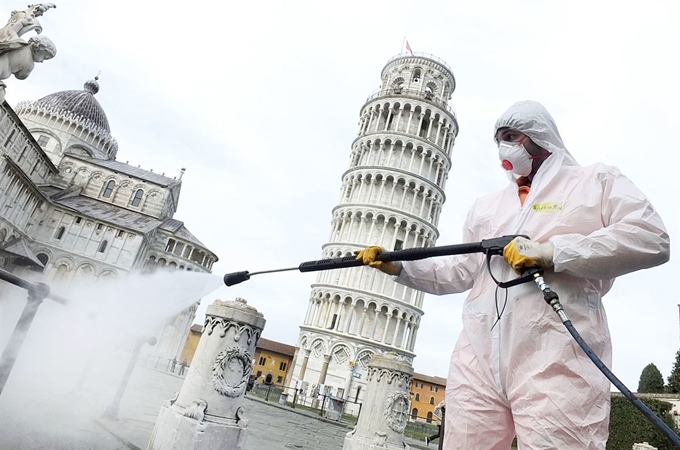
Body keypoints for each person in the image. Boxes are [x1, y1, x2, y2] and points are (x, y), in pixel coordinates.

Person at [355, 101, 670, 449]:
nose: (504, 147)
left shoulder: (594, 181)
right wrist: (400, 266)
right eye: (498, 140)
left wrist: (552, 252)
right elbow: (460, 269)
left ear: (539, 136)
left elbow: (649, 238)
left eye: (511, 136)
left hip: (556, 358)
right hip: (478, 358)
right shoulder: (488, 206)